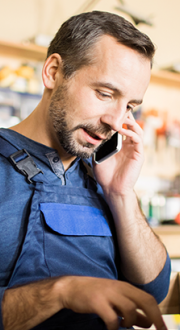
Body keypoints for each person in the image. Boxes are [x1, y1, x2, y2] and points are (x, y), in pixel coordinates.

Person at [0, 10, 170, 330]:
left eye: (130, 106)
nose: (117, 121)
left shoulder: (103, 179)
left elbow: (152, 291)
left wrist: (121, 195)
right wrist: (61, 292)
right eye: (105, 94)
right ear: (53, 72)